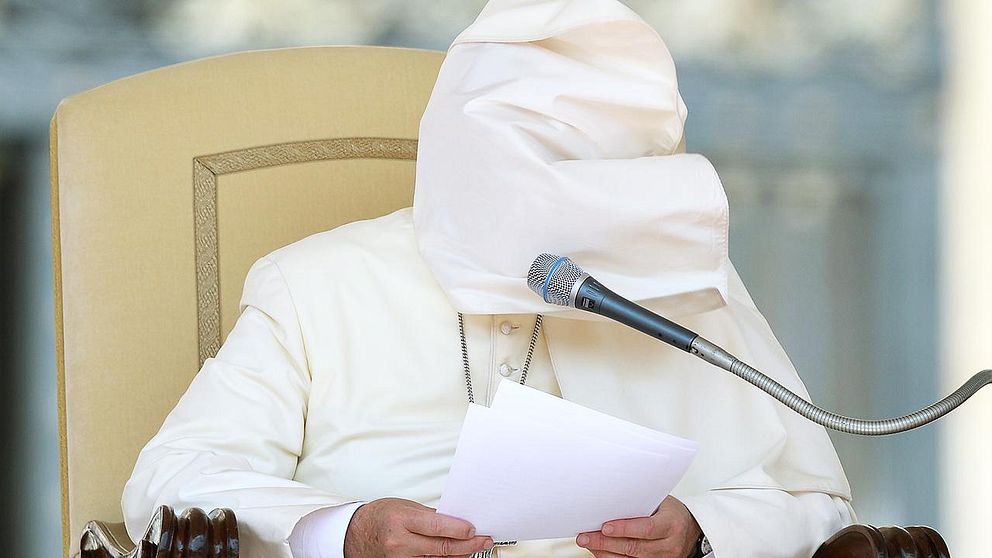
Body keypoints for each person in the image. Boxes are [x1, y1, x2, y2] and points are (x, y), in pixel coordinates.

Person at [122, 0, 856, 557]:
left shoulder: (675, 288)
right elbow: (171, 480)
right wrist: (348, 531)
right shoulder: (316, 283)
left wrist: (702, 530)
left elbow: (816, 506)